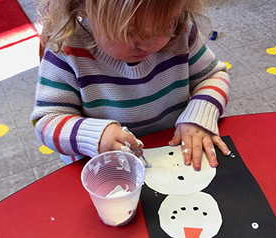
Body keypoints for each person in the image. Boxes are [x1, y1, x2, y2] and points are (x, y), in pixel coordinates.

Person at [31, 0, 231, 171]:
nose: (147, 45)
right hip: (104, 170)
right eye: (129, 32)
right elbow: (47, 121)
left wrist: (199, 115)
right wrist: (94, 136)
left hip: (173, 155)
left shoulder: (182, 32)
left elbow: (213, 76)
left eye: (165, 27)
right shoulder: (67, 49)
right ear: (85, 7)